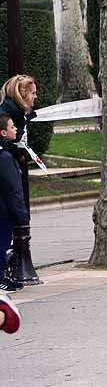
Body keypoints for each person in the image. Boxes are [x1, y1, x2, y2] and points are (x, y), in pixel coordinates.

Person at [0, 113, 29, 293]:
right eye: (11, 127)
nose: (15, 129)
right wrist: (21, 214)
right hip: (3, 212)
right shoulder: (4, 158)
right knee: (2, 244)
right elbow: (13, 189)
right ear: (3, 132)